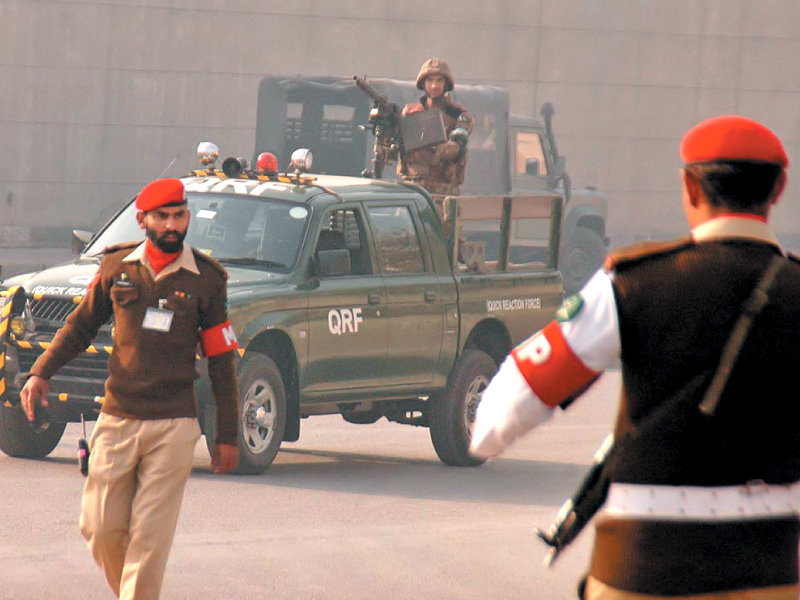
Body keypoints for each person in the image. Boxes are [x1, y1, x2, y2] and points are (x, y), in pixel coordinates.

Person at [470, 115, 800, 600]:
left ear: (689, 185)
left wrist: (485, 441)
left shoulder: (632, 283)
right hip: (769, 568)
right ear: (779, 190)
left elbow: (498, 418)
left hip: (644, 568)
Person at [20, 178, 241, 600]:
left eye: (179, 215)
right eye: (163, 217)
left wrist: (226, 435)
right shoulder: (115, 268)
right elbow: (80, 326)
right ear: (142, 221)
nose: (172, 225)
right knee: (99, 527)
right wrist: (40, 371)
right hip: (117, 418)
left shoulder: (207, 280)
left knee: (148, 543)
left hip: (174, 425)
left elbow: (221, 361)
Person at [398, 58, 474, 196]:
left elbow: (453, 150)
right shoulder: (409, 113)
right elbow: (393, 151)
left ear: (446, 84)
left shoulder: (459, 116)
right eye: (430, 80)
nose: (434, 85)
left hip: (441, 193)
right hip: (410, 190)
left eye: (439, 80)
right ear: (423, 83)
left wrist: (423, 142)